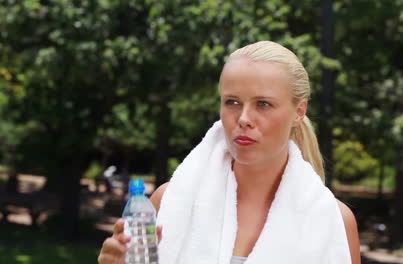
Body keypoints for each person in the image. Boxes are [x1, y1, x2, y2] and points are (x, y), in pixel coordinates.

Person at [98, 41, 360, 264]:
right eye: (232, 102)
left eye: (263, 104)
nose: (244, 118)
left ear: (299, 111)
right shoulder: (168, 202)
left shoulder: (333, 221)